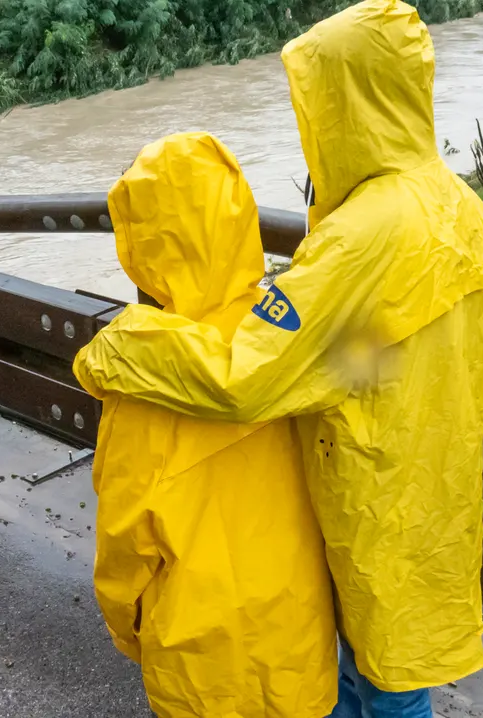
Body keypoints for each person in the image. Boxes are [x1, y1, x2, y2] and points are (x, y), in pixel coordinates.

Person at [75, 1, 483, 716]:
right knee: (391, 679)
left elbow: (246, 377)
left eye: (314, 101)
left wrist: (123, 349)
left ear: (346, 101)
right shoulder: (463, 211)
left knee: (383, 694)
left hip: (362, 498)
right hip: (429, 491)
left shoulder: (364, 237)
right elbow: (381, 355)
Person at [83, 131, 338, 718]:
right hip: (298, 635)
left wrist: (130, 633)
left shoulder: (144, 378)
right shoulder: (288, 338)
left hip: (200, 662)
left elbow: (124, 541)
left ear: (140, 246)